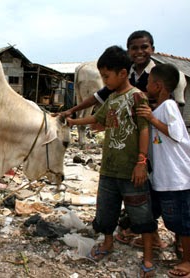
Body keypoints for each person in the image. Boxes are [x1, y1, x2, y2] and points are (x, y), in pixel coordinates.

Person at [67, 45, 157, 277]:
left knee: (141, 215)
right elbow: (97, 118)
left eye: (107, 76)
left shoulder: (137, 97)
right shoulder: (112, 98)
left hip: (131, 170)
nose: (104, 81)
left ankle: (148, 257)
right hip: (109, 169)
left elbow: (145, 130)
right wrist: (71, 121)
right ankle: (108, 243)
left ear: (122, 74)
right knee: (105, 213)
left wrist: (141, 162)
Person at [136, 64, 190, 278]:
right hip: (163, 178)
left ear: (157, 86)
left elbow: (176, 134)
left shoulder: (168, 107)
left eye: (148, 82)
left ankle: (187, 260)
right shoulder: (158, 109)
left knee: (184, 223)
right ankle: (161, 244)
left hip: (178, 178)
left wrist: (151, 119)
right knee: (169, 217)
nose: (146, 86)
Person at [60, 30, 156, 118]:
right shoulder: (123, 75)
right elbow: (97, 97)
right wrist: (70, 111)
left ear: (152, 49)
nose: (139, 52)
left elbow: (165, 104)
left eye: (144, 47)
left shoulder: (159, 74)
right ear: (128, 51)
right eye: (134, 48)